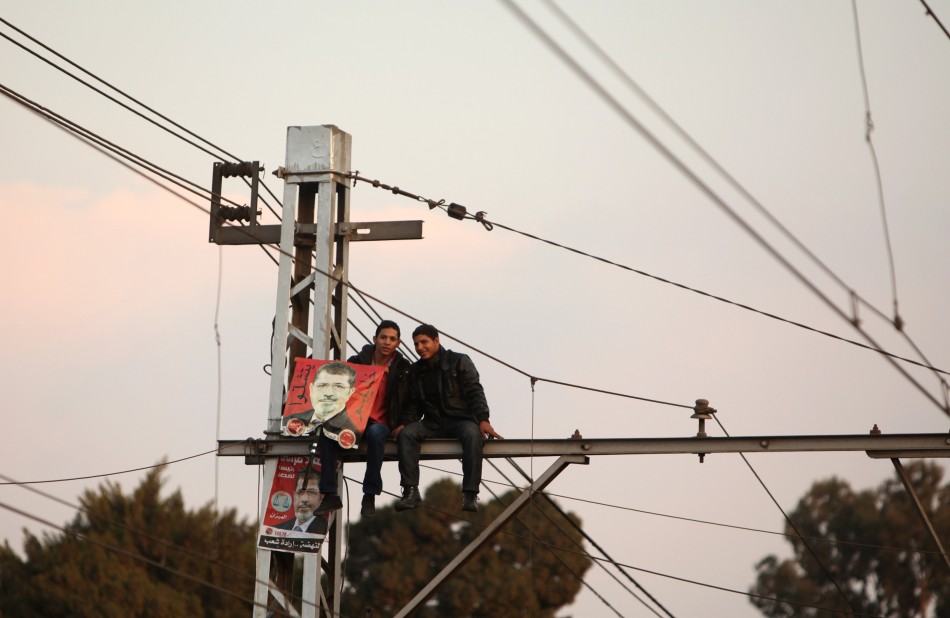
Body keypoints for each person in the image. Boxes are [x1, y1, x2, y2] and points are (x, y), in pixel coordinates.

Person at [393, 324, 503, 513]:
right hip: (432, 423)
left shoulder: (459, 361)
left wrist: (483, 419)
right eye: (416, 344)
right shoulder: (416, 370)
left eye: (424, 342)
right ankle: (410, 492)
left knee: (472, 434)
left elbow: (475, 391)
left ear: (437, 341)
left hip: (461, 420)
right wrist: (404, 423)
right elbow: (414, 403)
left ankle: (470, 494)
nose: (420, 347)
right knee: (407, 435)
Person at [315, 321, 410, 517]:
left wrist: (404, 423)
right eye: (383, 337)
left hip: (382, 422)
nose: (387, 342)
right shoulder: (357, 361)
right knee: (326, 436)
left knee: (376, 435)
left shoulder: (403, 368)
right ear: (375, 339)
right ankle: (330, 494)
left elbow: (411, 398)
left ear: (398, 343)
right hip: (354, 420)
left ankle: (370, 495)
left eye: (392, 339)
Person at [282, 361, 357, 437]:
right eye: (322, 386)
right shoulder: (290, 420)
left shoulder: (353, 431)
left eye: (338, 386)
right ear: (311, 389)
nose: (328, 393)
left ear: (350, 392)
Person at [275, 466, 329, 534]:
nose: (304, 499)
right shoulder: (278, 529)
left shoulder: (327, 529)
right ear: (294, 495)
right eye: (300, 492)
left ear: (321, 497)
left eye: (311, 492)